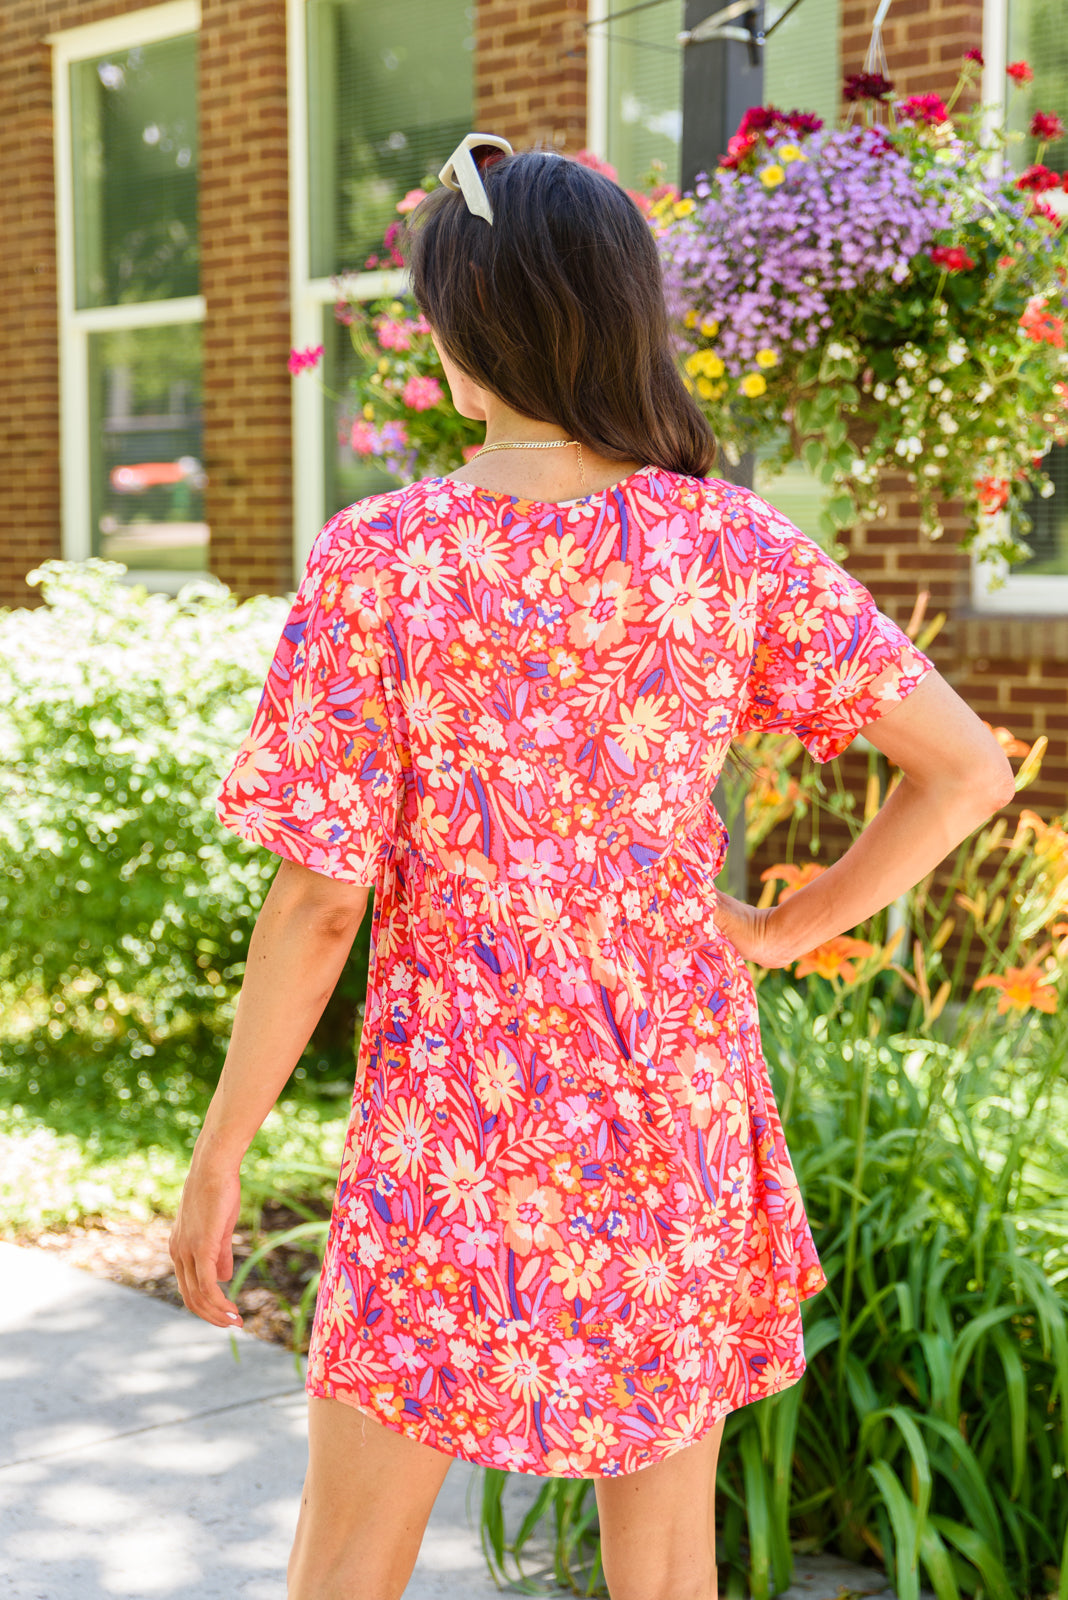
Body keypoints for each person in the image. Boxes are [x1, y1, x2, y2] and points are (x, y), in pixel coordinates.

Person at [169, 137, 1015, 1600]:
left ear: (464, 336)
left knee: (348, 1561)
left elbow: (319, 903)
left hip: (450, 1111)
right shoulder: (726, 546)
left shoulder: (384, 560)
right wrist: (778, 928)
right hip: (665, 1091)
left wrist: (224, 1145)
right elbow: (968, 772)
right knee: (665, 1569)